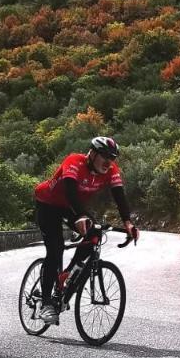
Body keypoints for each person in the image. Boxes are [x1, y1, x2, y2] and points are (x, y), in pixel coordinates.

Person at [32, 136, 139, 325]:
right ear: (92, 154)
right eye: (105, 156)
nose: (108, 162)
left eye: (112, 158)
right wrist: (81, 216)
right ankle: (46, 303)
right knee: (55, 249)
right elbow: (70, 191)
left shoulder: (111, 170)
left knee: (95, 234)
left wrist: (128, 222)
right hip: (48, 204)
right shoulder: (74, 161)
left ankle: (67, 274)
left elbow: (120, 196)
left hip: (71, 207)